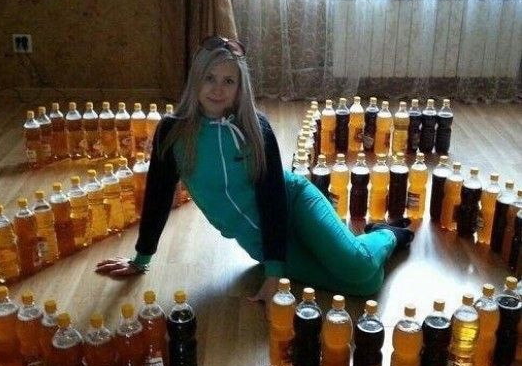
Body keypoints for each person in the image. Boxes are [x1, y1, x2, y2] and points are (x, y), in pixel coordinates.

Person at [95, 36, 414, 301]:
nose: (218, 89)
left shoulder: (255, 128)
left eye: (228, 81)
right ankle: (364, 241)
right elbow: (158, 196)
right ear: (195, 80)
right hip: (258, 240)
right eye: (209, 78)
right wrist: (141, 259)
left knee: (358, 267)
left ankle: (387, 234)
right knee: (366, 285)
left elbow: (272, 195)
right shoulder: (172, 132)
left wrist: (274, 273)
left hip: (294, 203)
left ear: (239, 88)